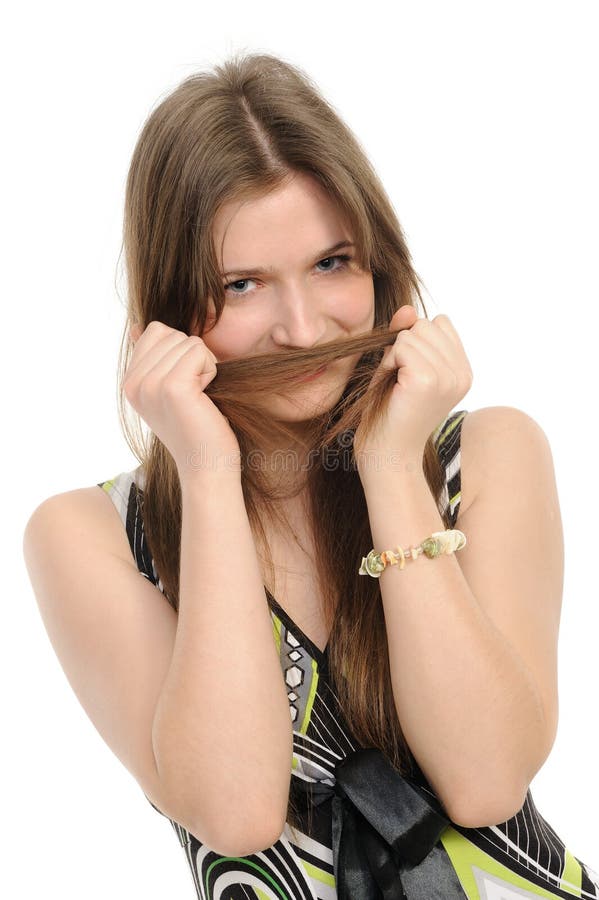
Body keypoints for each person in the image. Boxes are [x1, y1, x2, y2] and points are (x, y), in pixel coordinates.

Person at [22, 51, 598, 900]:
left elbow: (485, 780)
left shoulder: (485, 456)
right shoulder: (90, 535)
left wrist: (391, 465)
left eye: (332, 263)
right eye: (242, 284)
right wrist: (210, 473)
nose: (300, 327)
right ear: (172, 304)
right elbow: (237, 812)